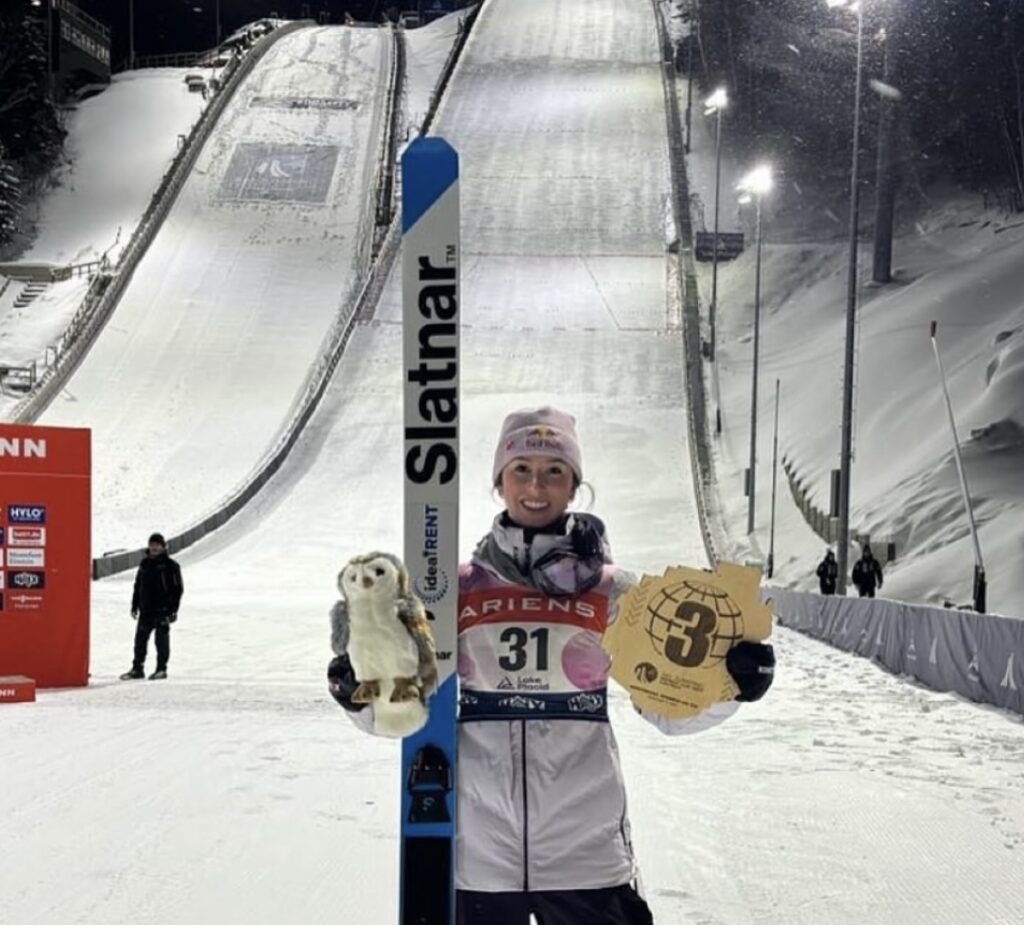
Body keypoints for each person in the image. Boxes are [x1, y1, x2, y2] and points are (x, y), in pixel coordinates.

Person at [327, 407, 776, 924]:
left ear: (574, 486)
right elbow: (406, 709)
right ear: (499, 481)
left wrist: (733, 685)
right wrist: (355, 690)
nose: (535, 485)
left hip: (587, 855)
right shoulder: (454, 590)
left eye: (554, 471)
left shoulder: (615, 591)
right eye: (521, 469)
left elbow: (670, 710)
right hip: (480, 858)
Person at [120, 533, 183, 681]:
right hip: (146, 610)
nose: (154, 547)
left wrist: (173, 610)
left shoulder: (171, 566)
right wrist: (135, 605)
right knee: (140, 641)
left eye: (157, 545)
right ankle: (137, 668)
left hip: (163, 610)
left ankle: (161, 669)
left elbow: (177, 589)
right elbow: (138, 586)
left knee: (161, 641)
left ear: (163, 547)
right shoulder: (144, 564)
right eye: (152, 544)